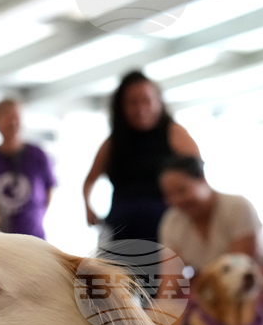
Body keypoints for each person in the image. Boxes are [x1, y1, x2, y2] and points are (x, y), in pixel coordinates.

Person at [83, 71, 200, 244]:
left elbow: (198, 175)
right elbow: (90, 180)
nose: (141, 109)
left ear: (158, 101)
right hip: (121, 231)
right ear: (121, 107)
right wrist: (89, 208)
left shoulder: (174, 133)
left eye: (147, 101)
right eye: (132, 103)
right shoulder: (114, 141)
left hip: (165, 229)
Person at [158, 156, 263, 277]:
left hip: (254, 279)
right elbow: (171, 276)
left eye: (181, 190)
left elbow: (239, 267)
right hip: (211, 284)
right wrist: (164, 296)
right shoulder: (171, 221)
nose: (176, 200)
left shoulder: (237, 206)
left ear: (202, 179)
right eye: (169, 195)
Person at [0, 98, 55, 239]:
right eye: (7, 118)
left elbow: (48, 190)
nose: (13, 123)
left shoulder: (38, 156)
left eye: (16, 117)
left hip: (34, 238)